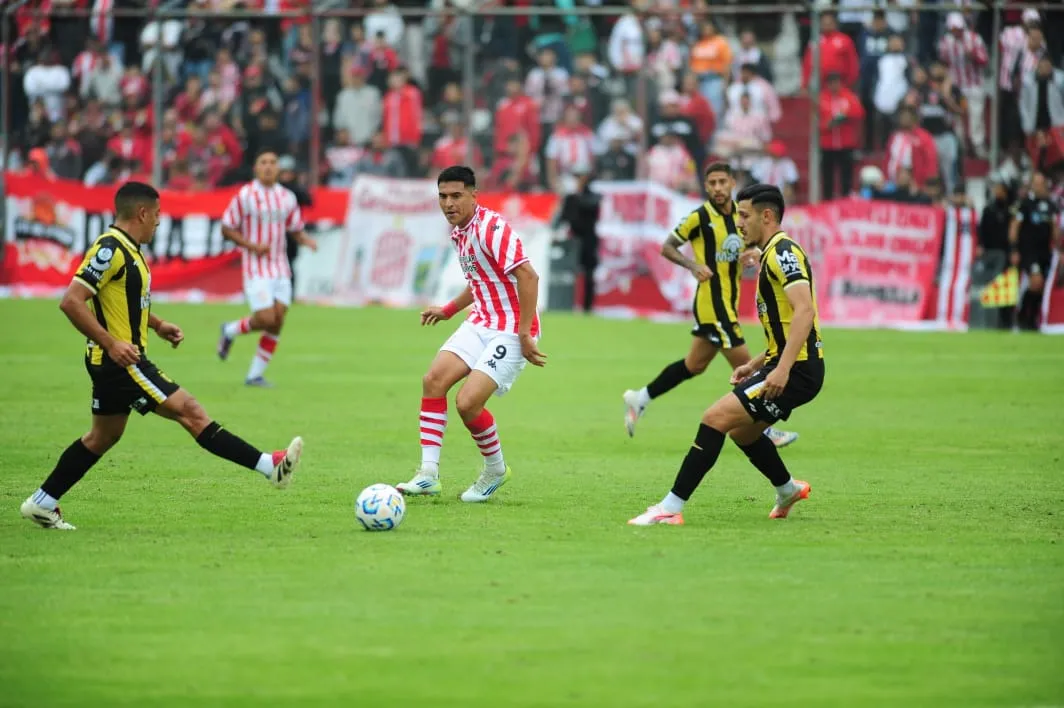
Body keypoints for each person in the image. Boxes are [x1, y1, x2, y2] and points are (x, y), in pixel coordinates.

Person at [20, 182, 303, 531]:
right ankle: (269, 467)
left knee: (103, 436)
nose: (158, 221)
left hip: (115, 359)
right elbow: (72, 301)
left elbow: (115, 300)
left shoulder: (130, 249)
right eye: (156, 214)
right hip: (120, 362)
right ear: (141, 213)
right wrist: (111, 343)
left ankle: (42, 503)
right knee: (191, 411)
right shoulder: (111, 248)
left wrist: (155, 324)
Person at [628, 184, 823, 526]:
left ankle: (670, 508)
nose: (739, 224)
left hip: (797, 370)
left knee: (714, 418)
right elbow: (788, 326)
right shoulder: (770, 253)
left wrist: (782, 370)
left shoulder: (783, 253)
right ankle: (788, 488)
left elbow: (805, 312)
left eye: (744, 216)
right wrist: (756, 363)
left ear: (767, 215)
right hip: (789, 366)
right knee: (743, 433)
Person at [396, 165, 546, 503]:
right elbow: (478, 279)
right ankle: (428, 474)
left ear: (474, 195)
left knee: (467, 403)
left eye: (456, 196)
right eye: (443, 197)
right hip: (481, 320)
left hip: (510, 328)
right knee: (433, 380)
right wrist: (447, 310)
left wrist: (524, 333)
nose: (448, 203)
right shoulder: (459, 231)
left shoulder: (492, 229)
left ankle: (495, 469)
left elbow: (529, 277)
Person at [622, 162, 799, 448]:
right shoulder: (700, 217)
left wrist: (754, 252)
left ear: (732, 183)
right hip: (712, 306)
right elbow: (667, 246)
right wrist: (692, 265)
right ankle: (762, 428)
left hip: (728, 303)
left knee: (694, 365)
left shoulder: (742, 219)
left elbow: (745, 246)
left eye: (722, 182)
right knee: (749, 367)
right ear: (706, 186)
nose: (718, 188)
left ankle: (640, 397)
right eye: (712, 183)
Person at [216, 149, 318, 387]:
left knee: (278, 320)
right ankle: (230, 330)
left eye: (273, 162)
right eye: (264, 162)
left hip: (280, 267)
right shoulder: (245, 195)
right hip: (255, 267)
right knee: (265, 317)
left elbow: (294, 227)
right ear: (256, 168)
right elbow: (227, 227)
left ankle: (254, 375)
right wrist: (251, 245)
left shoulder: (286, 197)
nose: (269, 167)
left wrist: (306, 240)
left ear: (279, 168)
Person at [1010, 171, 1061, 330]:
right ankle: (1021, 316)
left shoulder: (1051, 205)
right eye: (1036, 183)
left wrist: (1059, 247)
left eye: (1041, 183)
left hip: (1045, 252)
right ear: (1032, 185)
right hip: (1029, 251)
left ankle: (1032, 319)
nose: (1039, 186)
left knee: (1041, 286)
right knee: (1035, 282)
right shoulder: (1025, 204)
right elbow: (1014, 227)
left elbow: (1055, 229)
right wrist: (1014, 249)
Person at [552, 165, 602, 313]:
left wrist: (575, 194)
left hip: (588, 240)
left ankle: (587, 307)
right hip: (572, 241)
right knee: (568, 274)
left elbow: (590, 205)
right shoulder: (569, 198)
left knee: (589, 273)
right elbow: (562, 218)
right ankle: (566, 303)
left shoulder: (593, 196)